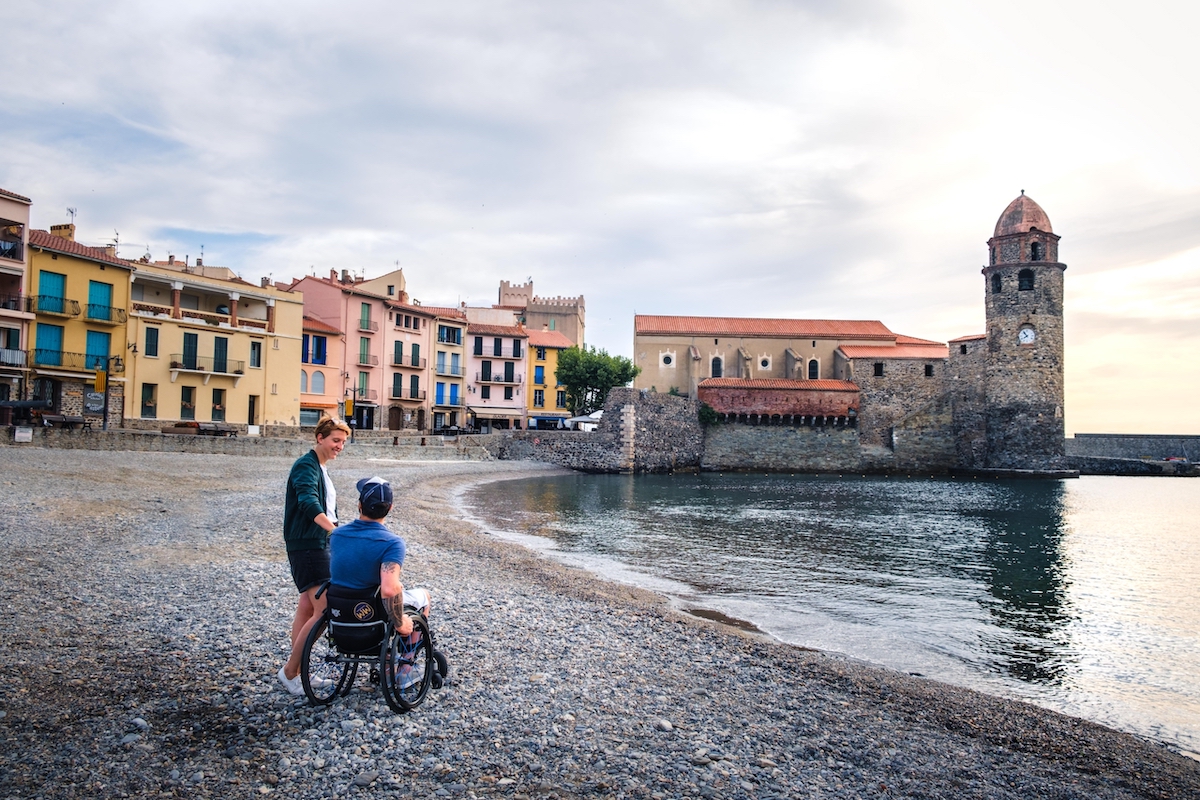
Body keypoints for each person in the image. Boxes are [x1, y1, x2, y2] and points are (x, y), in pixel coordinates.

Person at [278, 416, 352, 696]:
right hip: (309, 545)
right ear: (320, 438)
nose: (339, 446)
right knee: (324, 610)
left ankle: (298, 671)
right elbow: (307, 501)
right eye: (335, 440)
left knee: (307, 609)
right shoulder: (306, 465)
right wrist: (334, 531)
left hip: (316, 542)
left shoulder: (319, 467)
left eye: (343, 442)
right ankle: (289, 673)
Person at [329, 476, 432, 639]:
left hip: (340, 611)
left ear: (360, 505)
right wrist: (400, 623)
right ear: (390, 508)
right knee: (424, 596)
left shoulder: (336, 535)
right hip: (372, 612)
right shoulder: (392, 543)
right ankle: (408, 656)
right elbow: (389, 589)